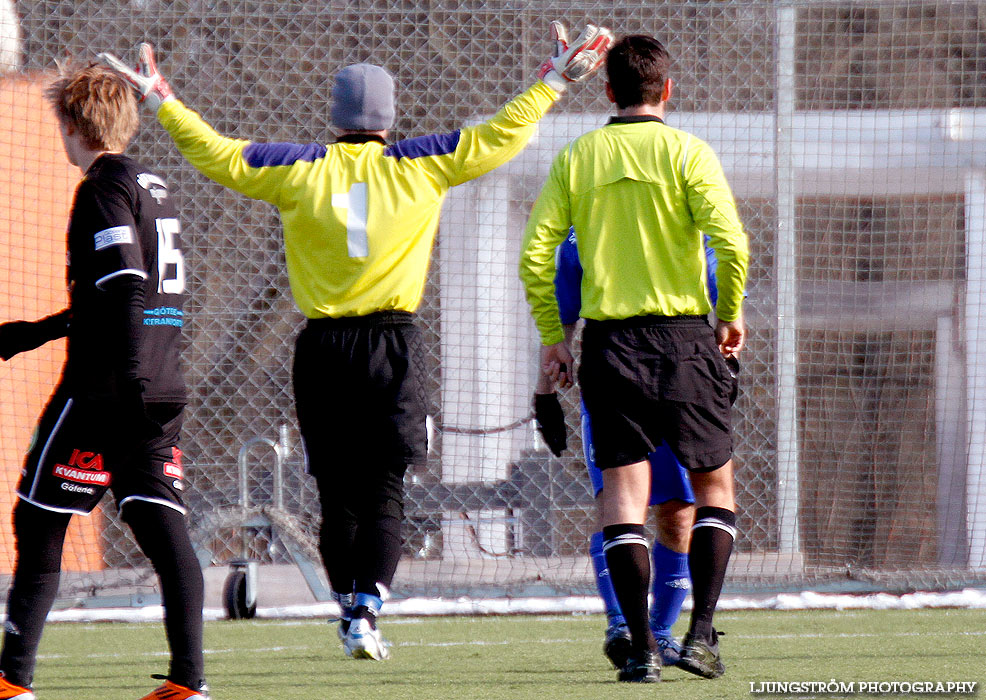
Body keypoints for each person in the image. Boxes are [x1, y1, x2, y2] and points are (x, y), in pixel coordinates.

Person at [100, 24, 613, 661]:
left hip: (323, 350)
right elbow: (503, 133)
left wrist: (163, 100)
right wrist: (556, 81)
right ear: (389, 119)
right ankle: (366, 609)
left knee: (336, 495)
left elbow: (217, 153)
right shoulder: (423, 162)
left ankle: (350, 611)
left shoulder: (296, 170)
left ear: (335, 117)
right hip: (393, 346)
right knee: (386, 491)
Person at [520, 35, 749, 684]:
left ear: (610, 91)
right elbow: (729, 241)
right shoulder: (689, 153)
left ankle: (641, 648)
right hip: (684, 340)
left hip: (612, 346)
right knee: (713, 489)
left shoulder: (579, 157)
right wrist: (729, 314)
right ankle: (699, 635)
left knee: (622, 499)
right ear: (666, 91)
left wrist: (555, 338)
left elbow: (537, 256)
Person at [0, 64, 206, 700]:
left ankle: (12, 681)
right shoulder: (155, 184)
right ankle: (187, 684)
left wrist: (124, 382)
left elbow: (124, 287)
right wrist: (34, 332)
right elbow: (124, 291)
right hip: (163, 386)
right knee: (163, 528)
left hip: (109, 392)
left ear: (70, 126)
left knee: (39, 519)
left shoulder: (102, 189)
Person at [533, 231, 740, 671]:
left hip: (680, 360)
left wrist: (727, 334)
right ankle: (626, 629)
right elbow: (563, 308)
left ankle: (661, 635)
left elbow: (725, 273)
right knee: (619, 500)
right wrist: (544, 388)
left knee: (679, 511)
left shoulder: (689, 216)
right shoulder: (583, 226)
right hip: (616, 359)